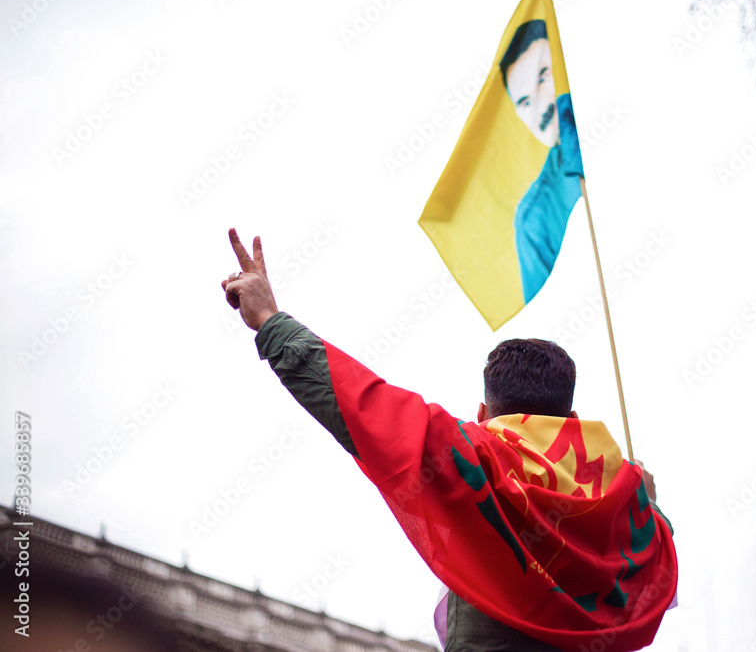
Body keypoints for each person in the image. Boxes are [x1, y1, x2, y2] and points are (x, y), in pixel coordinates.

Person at [221, 229, 677, 651]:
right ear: (571, 420)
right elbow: (654, 580)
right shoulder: (623, 503)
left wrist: (270, 320)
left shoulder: (475, 456)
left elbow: (357, 401)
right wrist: (650, 508)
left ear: (483, 416)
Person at [499, 20, 584, 305]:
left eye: (543, 76)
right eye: (525, 102)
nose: (540, 107)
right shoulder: (534, 218)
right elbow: (551, 310)